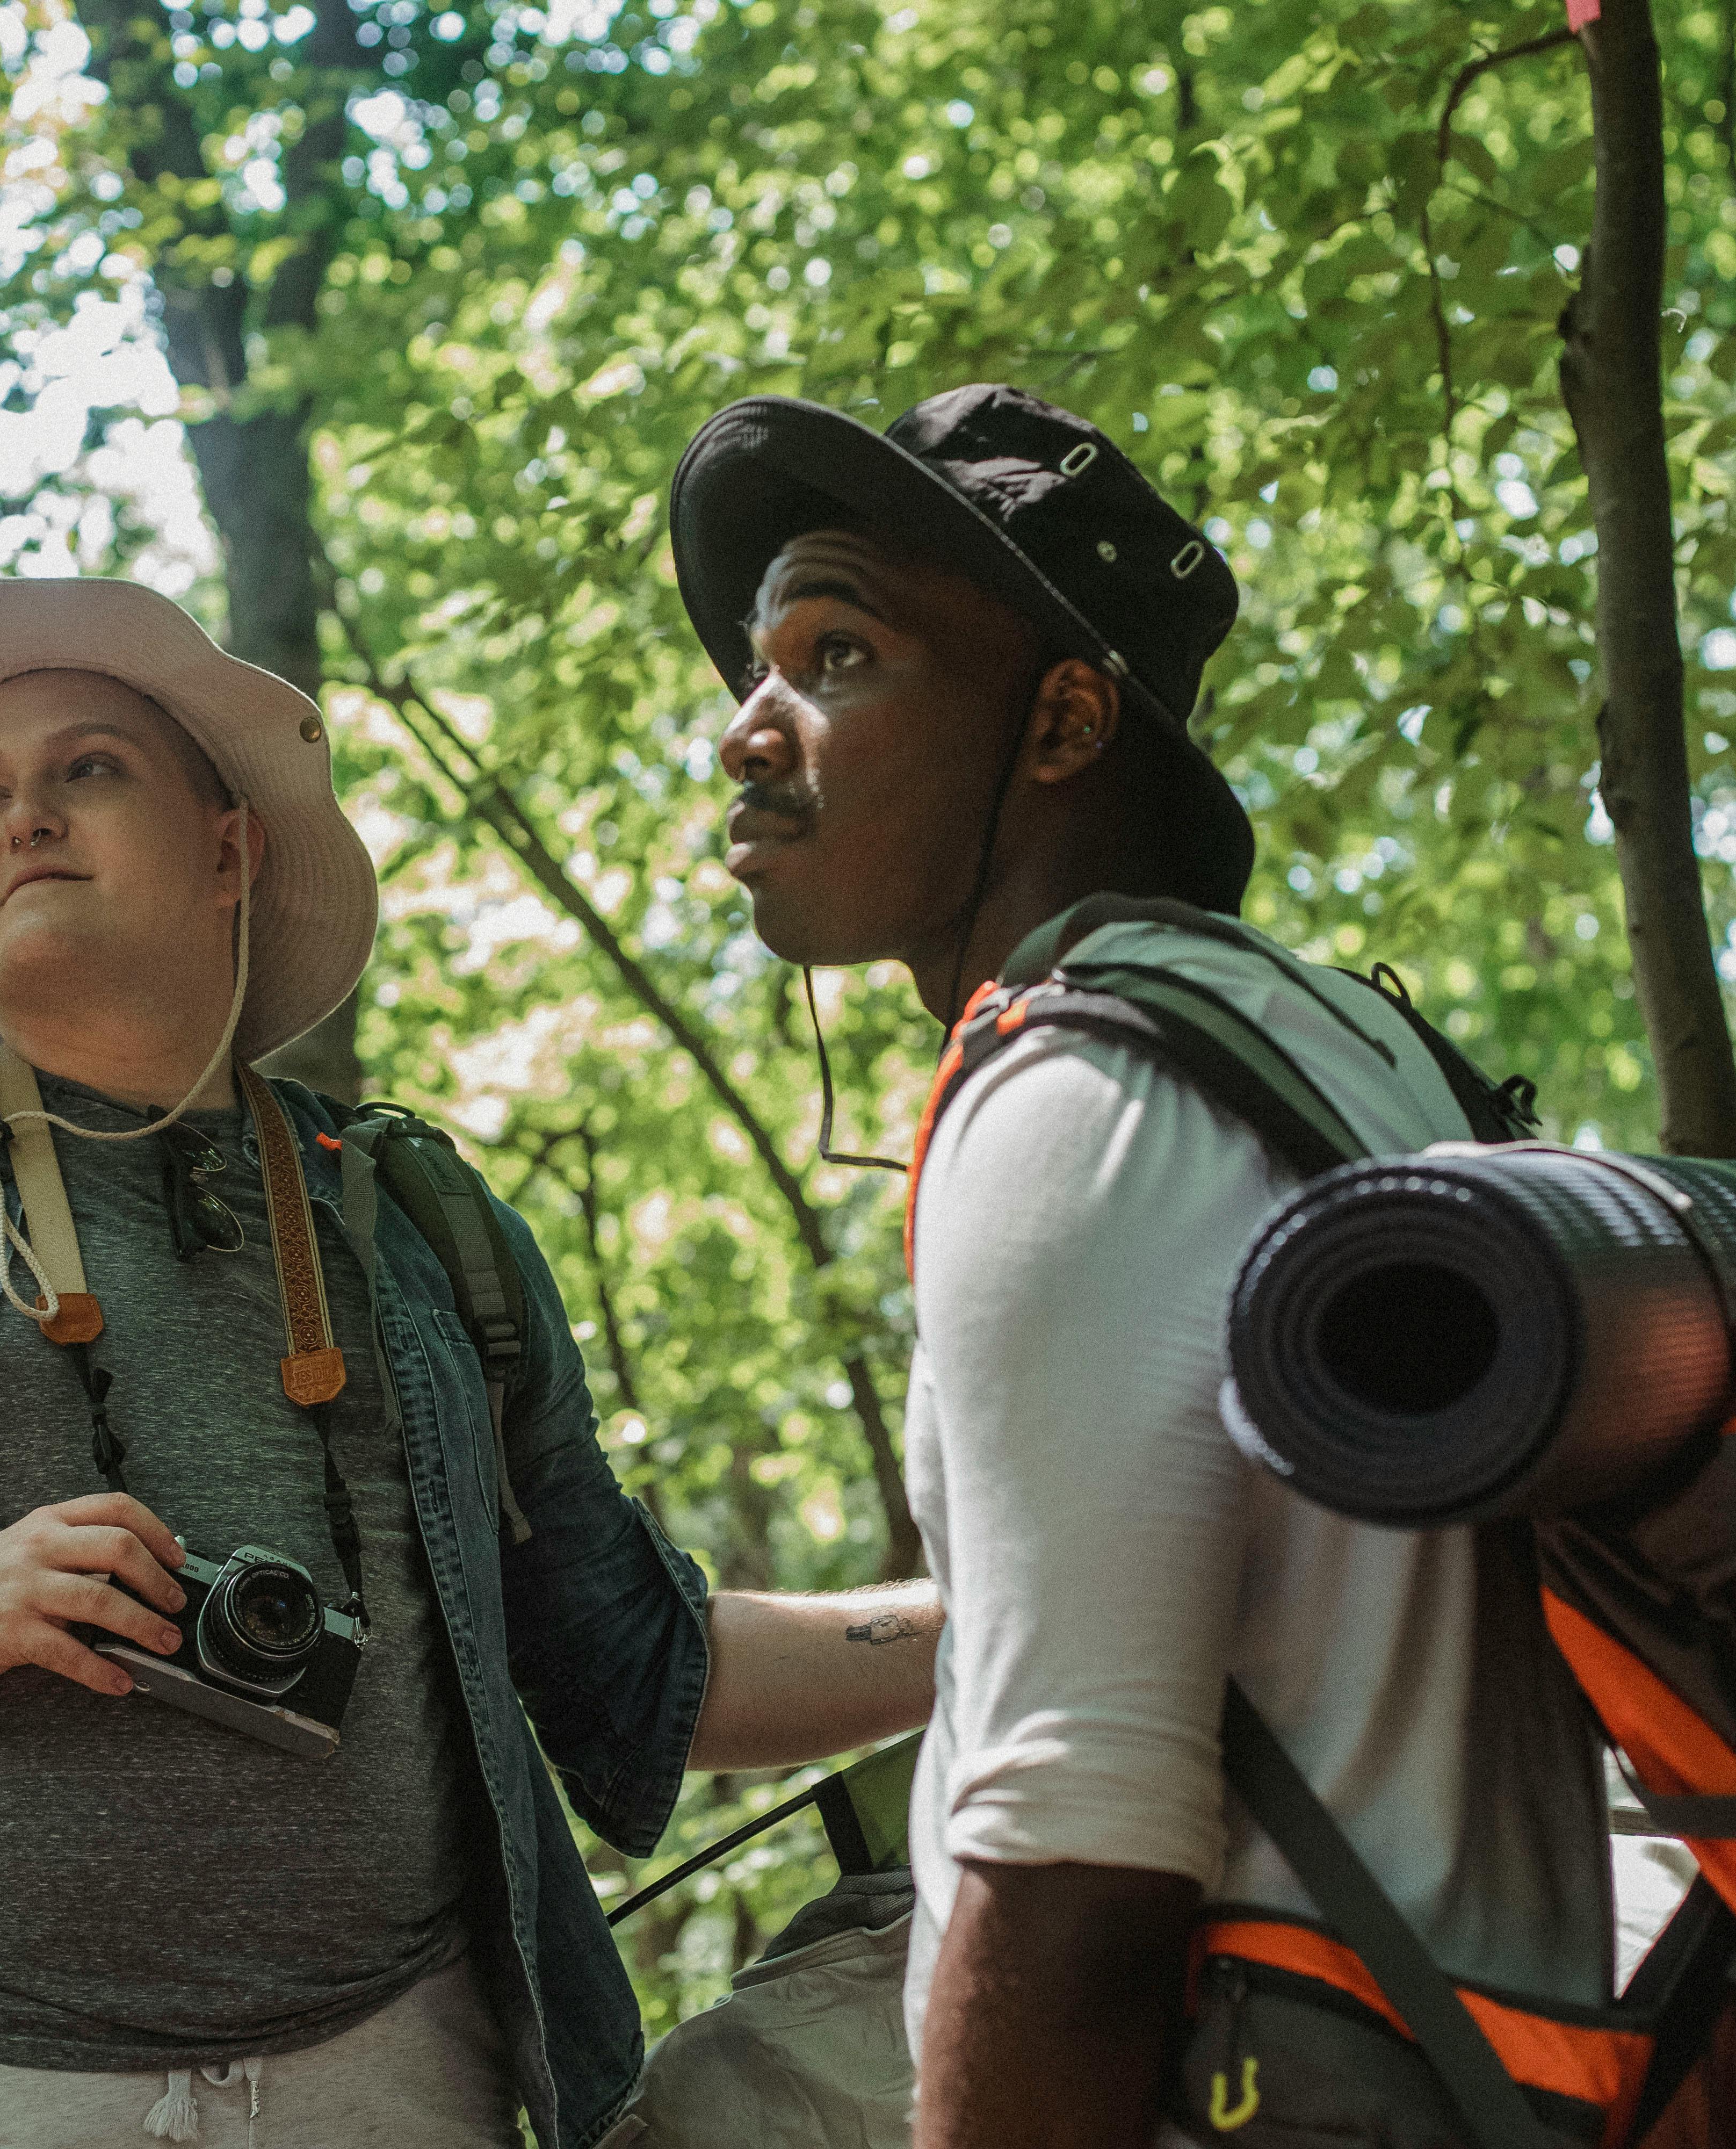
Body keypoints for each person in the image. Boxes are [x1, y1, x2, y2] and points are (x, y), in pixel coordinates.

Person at [0, 576, 937, 2149]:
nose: (23, 816)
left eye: (89, 769)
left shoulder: (426, 1235)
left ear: (230, 848)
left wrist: (1018, 1616)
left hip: (404, 2079)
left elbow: (645, 1673)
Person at [666, 386, 1614, 2149]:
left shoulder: (1071, 1097)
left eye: (837, 653)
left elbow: (1074, 1879)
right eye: (753, 667)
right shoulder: (1332, 1040)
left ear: (1065, 721)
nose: (747, 727)